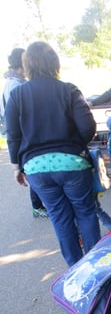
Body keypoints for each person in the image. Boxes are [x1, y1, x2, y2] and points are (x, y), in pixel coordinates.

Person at [5, 41, 101, 266]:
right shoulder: (69, 90)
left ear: (26, 65)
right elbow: (88, 127)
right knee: (85, 213)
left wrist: (17, 167)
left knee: (60, 218)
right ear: (54, 62)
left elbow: (12, 134)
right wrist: (73, 147)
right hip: (73, 164)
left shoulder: (17, 96)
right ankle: (97, 267)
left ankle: (77, 271)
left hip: (37, 168)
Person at [0, 47, 48, 218]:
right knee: (31, 170)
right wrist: (15, 166)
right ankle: (37, 206)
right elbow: (14, 117)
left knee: (32, 170)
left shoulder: (15, 83)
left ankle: (39, 204)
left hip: (21, 134)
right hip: (22, 135)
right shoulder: (15, 86)